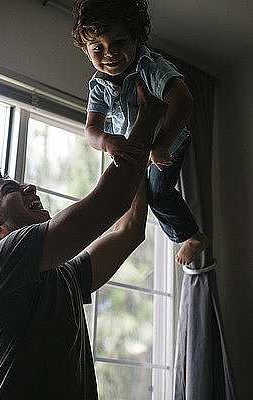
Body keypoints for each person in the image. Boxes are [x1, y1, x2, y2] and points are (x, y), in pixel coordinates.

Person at [0, 78, 161, 399]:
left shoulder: (64, 274)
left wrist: (140, 157)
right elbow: (111, 200)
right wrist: (146, 116)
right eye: (12, 189)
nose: (31, 188)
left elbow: (129, 230)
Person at [72, 0, 208, 266]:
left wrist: (161, 144)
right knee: (129, 194)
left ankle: (192, 237)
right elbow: (91, 129)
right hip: (135, 147)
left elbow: (184, 102)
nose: (109, 53)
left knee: (159, 194)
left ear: (136, 40)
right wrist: (106, 141)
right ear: (88, 53)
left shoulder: (150, 67)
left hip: (169, 140)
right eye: (98, 48)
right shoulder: (99, 85)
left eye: (119, 42)